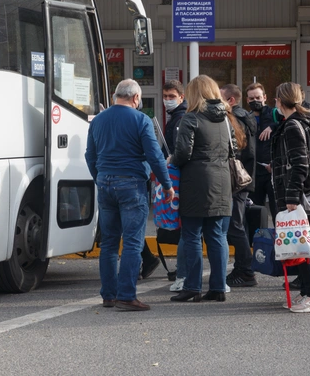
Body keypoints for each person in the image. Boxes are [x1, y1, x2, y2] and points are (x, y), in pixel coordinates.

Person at [85, 79, 174, 311]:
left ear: (116, 95)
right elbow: (154, 156)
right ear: (136, 98)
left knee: (109, 243)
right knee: (133, 242)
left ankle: (109, 296)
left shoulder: (98, 120)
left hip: (105, 184)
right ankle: (126, 296)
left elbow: (89, 155)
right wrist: (167, 185)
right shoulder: (141, 120)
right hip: (132, 184)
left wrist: (100, 177)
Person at [170, 75, 234, 303]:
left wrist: (171, 160)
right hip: (223, 181)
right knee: (217, 235)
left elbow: (183, 154)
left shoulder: (191, 119)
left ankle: (193, 287)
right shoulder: (226, 119)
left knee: (192, 235)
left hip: (196, 182)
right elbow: (233, 149)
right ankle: (218, 287)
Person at [271, 82, 310, 313]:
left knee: (301, 245)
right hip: (300, 192)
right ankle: (307, 292)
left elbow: (300, 165)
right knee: (300, 243)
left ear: (279, 100)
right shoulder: (301, 123)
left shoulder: (293, 125)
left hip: (298, 195)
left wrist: (292, 196)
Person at [221, 84, 258, 288]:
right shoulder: (246, 117)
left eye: (220, 98)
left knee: (235, 226)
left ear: (231, 100)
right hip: (243, 178)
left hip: (236, 179)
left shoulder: (234, 119)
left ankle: (246, 270)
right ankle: (243, 268)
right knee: (238, 225)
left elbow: (238, 151)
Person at [161, 79, 188, 292]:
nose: (168, 100)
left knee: (186, 232)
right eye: (166, 96)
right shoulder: (176, 117)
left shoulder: (180, 119)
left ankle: (183, 273)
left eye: (172, 97)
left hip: (181, 180)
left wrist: (170, 160)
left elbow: (180, 152)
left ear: (182, 97)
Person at [246, 83, 279, 220]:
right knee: (255, 212)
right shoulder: (246, 118)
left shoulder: (275, 114)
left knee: (278, 211)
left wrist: (273, 127)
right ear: (247, 100)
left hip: (272, 170)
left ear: (264, 97)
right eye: (252, 99)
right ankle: (257, 239)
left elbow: (288, 124)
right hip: (254, 172)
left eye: (258, 97)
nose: (255, 101)